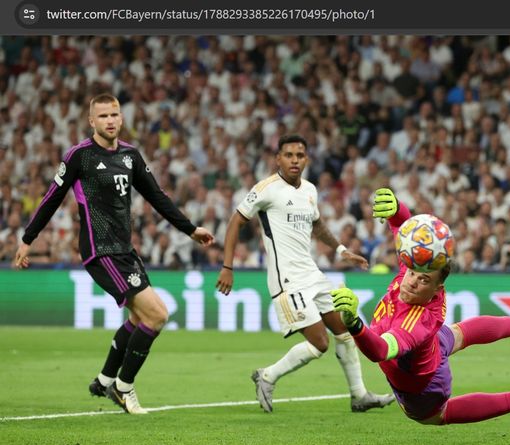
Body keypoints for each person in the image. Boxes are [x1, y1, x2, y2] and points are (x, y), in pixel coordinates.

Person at [14, 93, 215, 414]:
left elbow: (157, 196)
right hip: (99, 249)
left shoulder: (131, 156)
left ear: (121, 118)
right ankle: (124, 388)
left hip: (125, 250)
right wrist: (28, 238)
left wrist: (190, 229)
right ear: (92, 121)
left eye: (115, 115)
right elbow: (52, 196)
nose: (110, 120)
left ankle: (105, 380)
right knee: (158, 315)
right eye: (103, 116)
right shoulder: (79, 156)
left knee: (140, 318)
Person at [331, 188, 510, 425]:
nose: (414, 281)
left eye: (424, 280)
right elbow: (404, 230)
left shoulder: (416, 323)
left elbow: (381, 351)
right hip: (432, 347)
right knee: (460, 334)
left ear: (436, 289)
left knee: (437, 416)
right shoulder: (418, 271)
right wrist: (397, 208)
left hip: (423, 384)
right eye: (413, 273)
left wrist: (355, 325)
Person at [216, 134, 394, 413]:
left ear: (306, 159)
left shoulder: (310, 190)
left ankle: (359, 395)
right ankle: (267, 376)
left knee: (344, 332)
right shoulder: (266, 189)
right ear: (278, 159)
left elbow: (319, 226)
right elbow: (235, 222)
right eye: (288, 155)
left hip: (313, 274)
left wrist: (341, 250)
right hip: (288, 281)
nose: (294, 160)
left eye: (299, 155)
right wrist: (228, 266)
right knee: (319, 343)